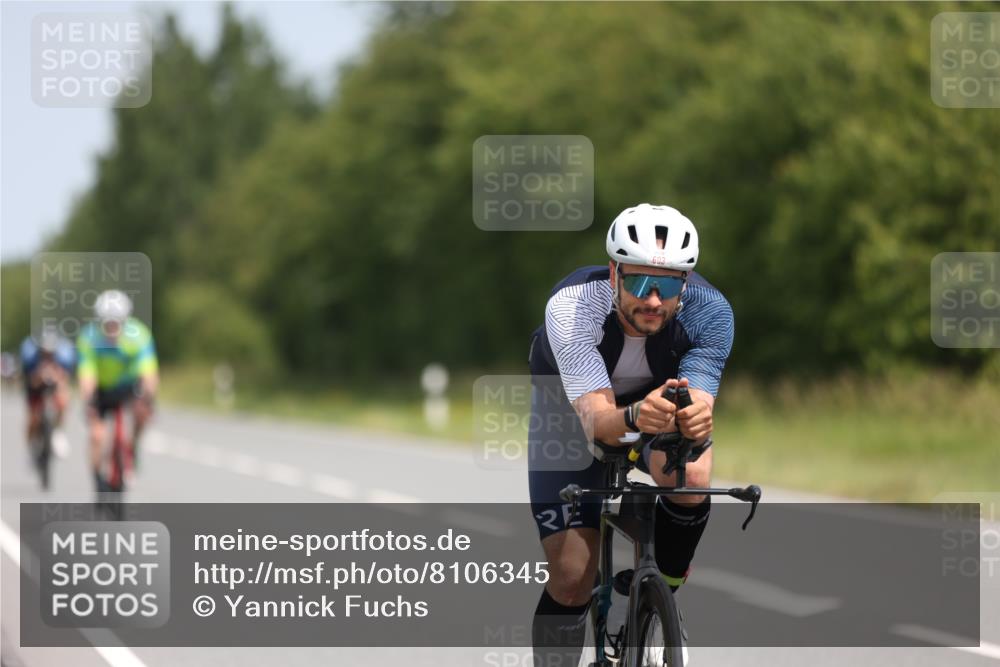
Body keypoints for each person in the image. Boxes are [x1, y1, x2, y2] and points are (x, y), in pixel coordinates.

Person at [528, 203, 734, 666]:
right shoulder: (573, 305)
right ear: (613, 273)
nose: (654, 300)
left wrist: (696, 419)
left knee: (692, 475)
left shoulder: (712, 313)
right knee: (572, 576)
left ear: (685, 283)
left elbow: (699, 405)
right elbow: (599, 422)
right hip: (572, 407)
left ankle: (659, 596)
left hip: (656, 404)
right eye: (639, 283)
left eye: (667, 286)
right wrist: (637, 415)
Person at [76, 289, 159, 491]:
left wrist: (148, 398)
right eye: (107, 324)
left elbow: (148, 371)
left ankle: (133, 447)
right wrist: (88, 400)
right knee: (97, 436)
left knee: (141, 414)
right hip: (101, 389)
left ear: (125, 320)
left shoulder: (139, 336)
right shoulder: (89, 338)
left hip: (128, 387)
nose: (112, 328)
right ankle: (97, 478)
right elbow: (87, 374)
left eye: (117, 323)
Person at [20, 326, 75, 459]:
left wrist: (56, 377)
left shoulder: (64, 354)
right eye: (44, 352)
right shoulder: (30, 355)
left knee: (64, 399)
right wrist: (40, 376)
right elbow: (30, 380)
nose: (47, 354)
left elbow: (65, 378)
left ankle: (58, 430)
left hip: (54, 383)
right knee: (32, 418)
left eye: (50, 352)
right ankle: (30, 446)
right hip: (34, 385)